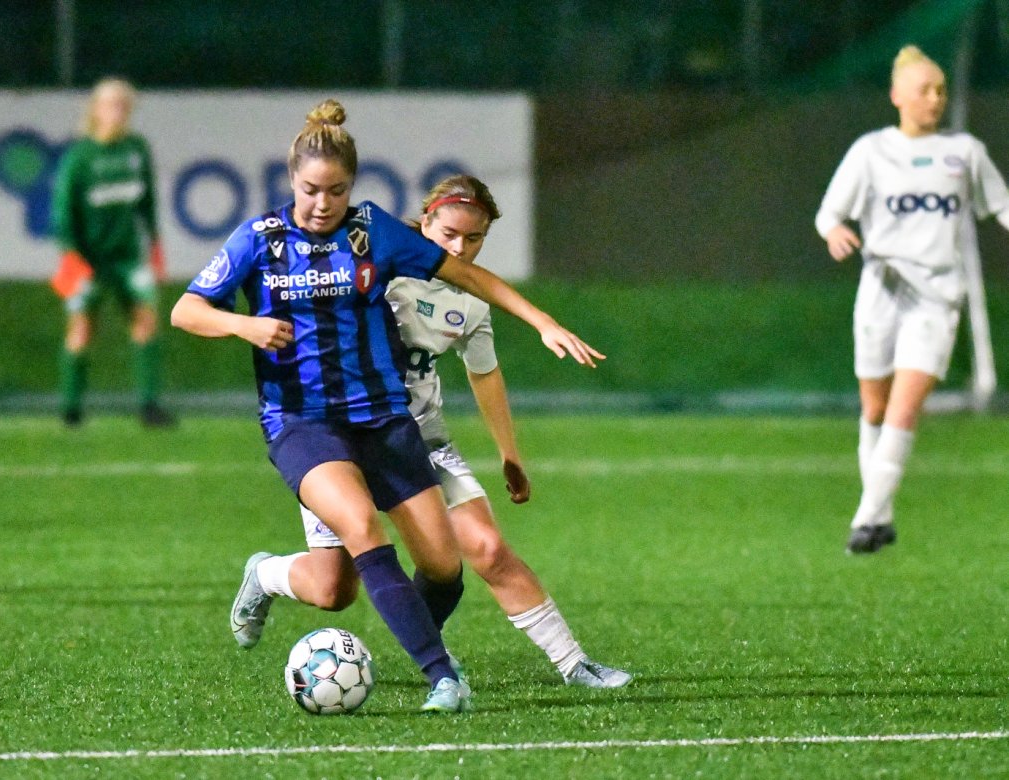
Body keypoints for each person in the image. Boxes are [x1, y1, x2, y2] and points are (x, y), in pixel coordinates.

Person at [171, 99, 604, 712]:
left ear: (353, 186)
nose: (323, 204)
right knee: (362, 527)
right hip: (303, 422)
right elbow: (186, 310)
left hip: (383, 419)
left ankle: (266, 574)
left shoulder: (373, 231)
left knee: (421, 571)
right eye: (311, 191)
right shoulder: (259, 239)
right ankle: (443, 678)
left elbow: (467, 277)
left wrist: (542, 321)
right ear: (291, 181)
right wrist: (244, 326)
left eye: (337, 191)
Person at [230, 175, 632, 689]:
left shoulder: (470, 300)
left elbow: (484, 373)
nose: (459, 248)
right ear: (425, 223)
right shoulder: (378, 261)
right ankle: (265, 574)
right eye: (449, 234)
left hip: (421, 438)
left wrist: (508, 452)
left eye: (474, 238)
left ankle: (572, 663)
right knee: (333, 590)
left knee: (486, 548)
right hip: (341, 435)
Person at [815, 45, 1009, 554]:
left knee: (904, 408)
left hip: (937, 297)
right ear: (897, 95)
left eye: (941, 90)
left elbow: (1002, 205)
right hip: (881, 289)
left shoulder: (964, 152)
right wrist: (834, 231)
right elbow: (828, 213)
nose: (935, 99)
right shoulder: (870, 151)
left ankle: (866, 519)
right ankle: (881, 516)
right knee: (875, 407)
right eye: (925, 90)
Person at [50, 77, 175, 428]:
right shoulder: (80, 157)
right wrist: (70, 254)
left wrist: (155, 244)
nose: (118, 112)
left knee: (146, 319)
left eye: (123, 105)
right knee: (81, 327)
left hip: (128, 257)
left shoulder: (136, 150)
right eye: (111, 105)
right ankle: (71, 408)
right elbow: (63, 211)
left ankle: (149, 405)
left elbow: (148, 202)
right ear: (96, 110)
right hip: (88, 259)